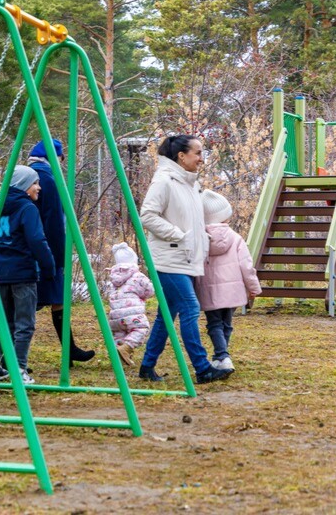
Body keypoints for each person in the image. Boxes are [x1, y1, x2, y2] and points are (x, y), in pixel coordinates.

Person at [138, 134, 231, 384]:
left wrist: (202, 241)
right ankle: (202, 368)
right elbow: (147, 215)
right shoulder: (164, 181)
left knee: (167, 313)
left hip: (186, 258)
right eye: (198, 153)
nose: (202, 158)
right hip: (169, 258)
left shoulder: (189, 183)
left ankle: (147, 366)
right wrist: (180, 236)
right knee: (189, 308)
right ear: (181, 156)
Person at [0, 165, 55, 384]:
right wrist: (49, 267)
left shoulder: (0, 206)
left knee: (6, 322)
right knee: (24, 324)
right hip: (22, 273)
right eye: (35, 183)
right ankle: (19, 369)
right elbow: (37, 240)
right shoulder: (27, 208)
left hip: (0, 273)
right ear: (23, 185)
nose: (39, 187)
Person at [27, 139, 95, 365]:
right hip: (47, 249)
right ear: (53, 157)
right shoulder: (47, 177)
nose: (62, 163)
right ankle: (3, 357)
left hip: (36, 246)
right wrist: (59, 253)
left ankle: (70, 348)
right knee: (29, 305)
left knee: (58, 299)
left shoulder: (28, 175)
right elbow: (54, 219)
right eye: (60, 158)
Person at [195, 190, 261, 373]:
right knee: (227, 323)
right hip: (232, 291)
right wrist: (253, 288)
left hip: (209, 291)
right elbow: (246, 266)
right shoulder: (235, 238)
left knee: (214, 324)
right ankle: (222, 356)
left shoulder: (199, 239)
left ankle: (221, 356)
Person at [107, 242, 153, 367]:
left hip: (115, 316)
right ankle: (127, 348)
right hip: (132, 315)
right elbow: (150, 290)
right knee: (141, 328)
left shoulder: (113, 276)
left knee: (119, 335)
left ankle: (120, 359)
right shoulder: (138, 275)